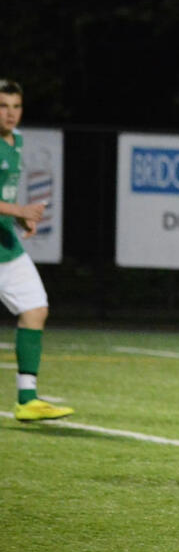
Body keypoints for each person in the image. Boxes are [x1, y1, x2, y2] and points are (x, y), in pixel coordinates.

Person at [0, 79, 73, 422]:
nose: (10, 113)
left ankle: (27, 398)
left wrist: (20, 221)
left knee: (34, 308)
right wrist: (20, 212)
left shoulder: (16, 143)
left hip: (6, 247)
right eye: (3, 106)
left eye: (15, 106)